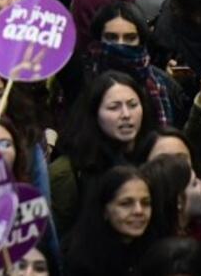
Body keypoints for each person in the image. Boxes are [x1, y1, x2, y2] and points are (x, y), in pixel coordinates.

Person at [49, 72, 155, 236]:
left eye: (133, 105)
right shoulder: (67, 172)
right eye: (114, 107)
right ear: (94, 113)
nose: (126, 115)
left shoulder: (152, 156)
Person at [63, 165, 153, 276]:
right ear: (104, 210)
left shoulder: (153, 250)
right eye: (126, 203)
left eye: (146, 203)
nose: (139, 211)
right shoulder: (83, 260)